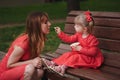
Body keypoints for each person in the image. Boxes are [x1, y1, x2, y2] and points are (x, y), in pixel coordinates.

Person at [42, 11, 104, 76]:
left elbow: (93, 52)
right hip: (82, 54)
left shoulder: (92, 39)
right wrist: (60, 33)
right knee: (67, 54)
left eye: (77, 26)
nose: (74, 26)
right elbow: (69, 39)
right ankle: (52, 63)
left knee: (75, 57)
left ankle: (62, 68)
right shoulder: (78, 35)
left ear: (85, 29)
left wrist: (80, 49)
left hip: (91, 59)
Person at [0, 11, 51, 80]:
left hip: (16, 71)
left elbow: (32, 58)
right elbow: (9, 65)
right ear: (37, 26)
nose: (49, 24)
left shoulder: (36, 41)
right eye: (45, 22)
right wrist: (32, 61)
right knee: (30, 68)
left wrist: (41, 61)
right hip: (4, 74)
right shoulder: (23, 43)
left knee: (40, 71)